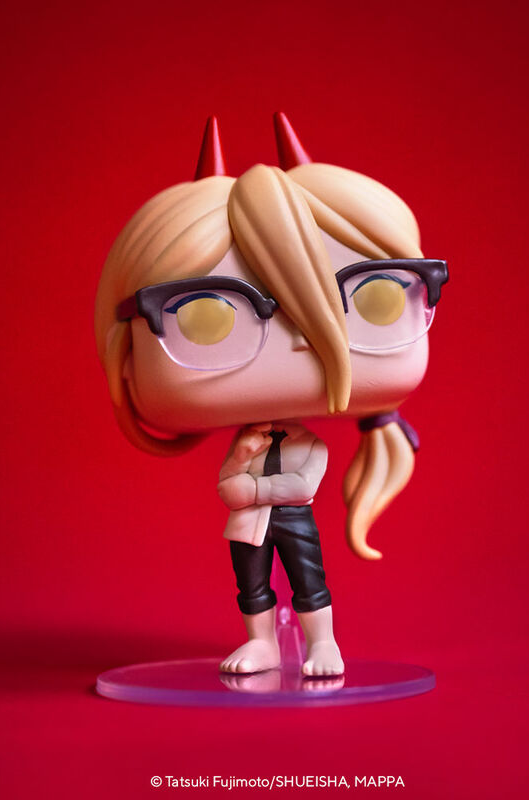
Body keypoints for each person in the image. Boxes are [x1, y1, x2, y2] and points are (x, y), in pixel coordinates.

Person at [94, 113, 448, 676]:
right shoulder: (249, 444)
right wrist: (244, 478)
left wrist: (251, 486)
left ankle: (322, 643)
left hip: (289, 520)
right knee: (251, 583)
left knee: (309, 579)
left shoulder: (303, 445)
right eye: (207, 315)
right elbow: (227, 487)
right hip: (247, 527)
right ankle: (261, 643)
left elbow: (296, 485)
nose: (301, 339)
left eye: (375, 296)